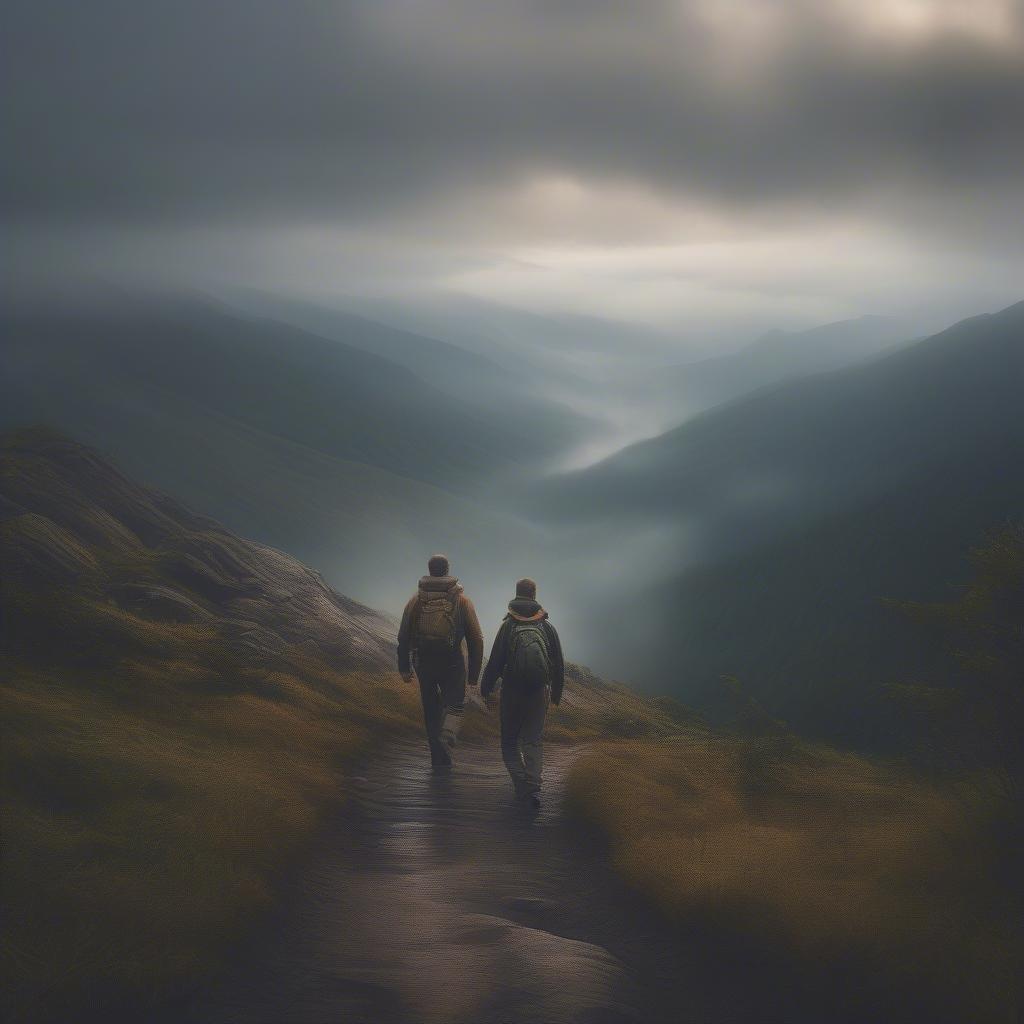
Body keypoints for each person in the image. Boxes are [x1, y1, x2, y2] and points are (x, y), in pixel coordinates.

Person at [481, 577, 564, 808]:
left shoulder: (508, 626)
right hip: (539, 691)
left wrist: (485, 689)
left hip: (512, 691)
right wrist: (556, 692)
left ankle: (521, 783)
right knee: (533, 739)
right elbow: (558, 663)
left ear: (516, 595)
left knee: (509, 741)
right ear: (534, 596)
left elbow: (496, 661)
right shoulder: (546, 627)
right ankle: (534, 784)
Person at [398, 554, 484, 770]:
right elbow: (476, 639)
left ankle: (438, 759)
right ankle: (448, 734)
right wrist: (473, 676)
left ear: (429, 570)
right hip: (452, 661)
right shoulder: (462, 601)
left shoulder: (416, 600)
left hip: (423, 662)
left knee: (430, 708)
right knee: (455, 702)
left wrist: (404, 667)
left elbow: (403, 636)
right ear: (447, 571)